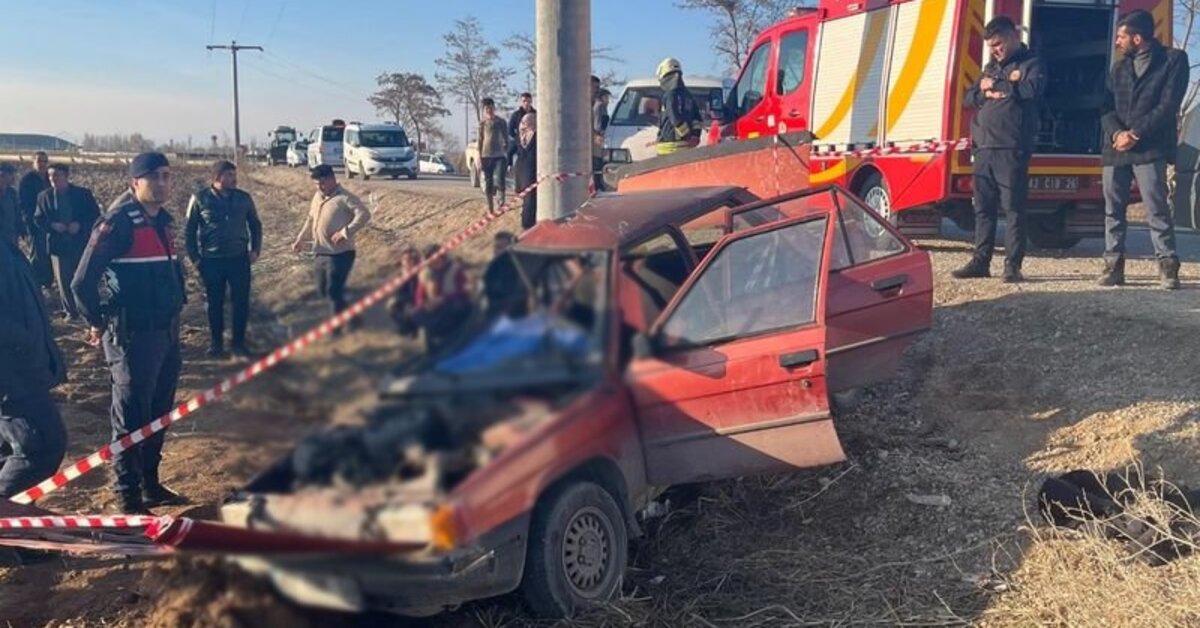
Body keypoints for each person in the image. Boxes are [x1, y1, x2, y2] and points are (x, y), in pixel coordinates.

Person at [71, 152, 188, 514]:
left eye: (167, 176)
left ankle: (150, 484)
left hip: (166, 332)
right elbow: (81, 282)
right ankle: (128, 496)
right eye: (154, 176)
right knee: (131, 417)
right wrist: (97, 321)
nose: (163, 183)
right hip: (133, 336)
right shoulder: (117, 223)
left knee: (157, 413)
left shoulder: (164, 223)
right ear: (134, 183)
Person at [1098, 9, 1190, 289]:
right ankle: (1113, 266)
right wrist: (1117, 132)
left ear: (1137, 38)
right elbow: (1106, 107)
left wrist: (1135, 133)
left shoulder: (1173, 61)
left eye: (1121, 37)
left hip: (1150, 148)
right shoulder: (1119, 68)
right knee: (1113, 209)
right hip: (1116, 148)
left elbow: (1168, 104)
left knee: (1156, 207)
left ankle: (1167, 267)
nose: (1117, 42)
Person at [954, 16, 1045, 283]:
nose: (996, 50)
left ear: (1013, 36)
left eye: (999, 43)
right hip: (984, 148)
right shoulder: (990, 67)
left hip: (1011, 147)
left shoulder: (1032, 64)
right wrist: (985, 91)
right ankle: (981, 262)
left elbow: (1032, 90)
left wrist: (1003, 85)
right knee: (983, 209)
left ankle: (1012, 266)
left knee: (1014, 208)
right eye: (991, 46)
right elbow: (968, 97)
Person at [0, 233, 68, 499]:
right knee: (40, 447)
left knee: (9, 450)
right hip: (11, 373)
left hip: (22, 365)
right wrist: (23, 338)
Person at [185, 160, 263, 358]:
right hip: (211, 260)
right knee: (215, 303)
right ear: (217, 178)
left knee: (241, 303)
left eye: (234, 175)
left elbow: (255, 224)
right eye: (229, 175)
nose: (234, 179)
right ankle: (216, 343)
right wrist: (195, 259)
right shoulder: (199, 199)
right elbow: (189, 231)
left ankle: (238, 343)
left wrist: (255, 249)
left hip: (239, 259)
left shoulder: (244, 198)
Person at [292, 164, 371, 322]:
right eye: (316, 184)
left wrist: (345, 232)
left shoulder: (344, 197)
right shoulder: (317, 197)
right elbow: (310, 219)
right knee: (322, 291)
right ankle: (353, 317)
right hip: (320, 252)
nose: (319, 187)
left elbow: (364, 214)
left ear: (332, 179)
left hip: (340, 254)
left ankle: (337, 329)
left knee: (333, 290)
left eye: (322, 183)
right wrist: (300, 239)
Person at [34, 164, 101, 320]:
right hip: (58, 246)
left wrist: (80, 225)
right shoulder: (44, 196)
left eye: (57, 175)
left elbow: (95, 216)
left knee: (82, 279)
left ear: (66, 176)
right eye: (50, 176)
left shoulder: (82, 194)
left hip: (80, 244)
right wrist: (52, 225)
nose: (53, 179)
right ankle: (71, 312)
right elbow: (38, 218)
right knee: (64, 281)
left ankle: (87, 311)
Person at [411, 244, 471, 352]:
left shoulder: (455, 269)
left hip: (453, 303)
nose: (435, 260)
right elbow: (419, 295)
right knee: (417, 314)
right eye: (431, 257)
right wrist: (425, 305)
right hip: (434, 307)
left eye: (437, 256)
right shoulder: (425, 274)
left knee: (456, 308)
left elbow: (463, 290)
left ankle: (455, 335)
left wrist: (444, 299)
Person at [655, 58, 704, 156]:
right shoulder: (688, 95)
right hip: (686, 147)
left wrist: (687, 135)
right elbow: (697, 119)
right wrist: (695, 135)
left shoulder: (670, 95)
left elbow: (674, 117)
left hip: (668, 148)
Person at [18, 152, 52, 288]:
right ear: (33, 162)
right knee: (37, 256)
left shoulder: (50, 178)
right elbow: (24, 205)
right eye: (39, 161)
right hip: (34, 224)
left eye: (45, 161)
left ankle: (48, 283)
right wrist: (28, 225)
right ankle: (35, 285)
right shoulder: (27, 180)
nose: (42, 164)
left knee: (48, 255)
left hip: (49, 224)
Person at [483, 231, 528, 319]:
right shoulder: (492, 269)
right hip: (497, 316)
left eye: (500, 247)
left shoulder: (521, 266)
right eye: (496, 247)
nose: (496, 251)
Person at [478, 97, 510, 211]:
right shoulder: (482, 124)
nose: (489, 110)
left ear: (494, 108)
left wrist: (507, 151)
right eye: (486, 108)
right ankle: (490, 205)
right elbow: (480, 140)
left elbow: (506, 137)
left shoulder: (501, 122)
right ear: (484, 110)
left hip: (499, 155)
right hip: (486, 156)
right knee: (488, 181)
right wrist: (479, 158)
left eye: (490, 108)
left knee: (500, 177)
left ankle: (501, 201)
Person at [386, 244, 423, 337]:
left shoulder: (420, 272)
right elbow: (397, 290)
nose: (407, 262)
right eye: (405, 260)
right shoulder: (400, 274)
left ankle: (416, 329)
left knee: (410, 309)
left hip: (419, 298)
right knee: (392, 305)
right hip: (404, 298)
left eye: (410, 259)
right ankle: (406, 328)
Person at [512, 111, 539, 229]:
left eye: (526, 122)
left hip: (529, 170)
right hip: (523, 170)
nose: (523, 124)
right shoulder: (522, 135)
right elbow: (511, 149)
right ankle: (526, 223)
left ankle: (527, 223)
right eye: (523, 122)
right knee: (527, 198)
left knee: (530, 199)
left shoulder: (536, 135)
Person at [507, 92, 536, 165]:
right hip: (520, 141)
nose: (526, 103)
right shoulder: (516, 115)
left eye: (528, 101)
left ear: (531, 101)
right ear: (521, 102)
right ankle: (509, 167)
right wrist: (517, 137)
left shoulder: (535, 114)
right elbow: (510, 129)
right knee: (509, 152)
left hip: (533, 142)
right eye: (524, 101)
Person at [0, 164, 24, 245]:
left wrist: (21, 231)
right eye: (10, 175)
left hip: (11, 236)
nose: (13, 178)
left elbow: (17, 214)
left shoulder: (12, 193)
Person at [591, 75, 606, 191]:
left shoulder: (597, 104)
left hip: (595, 146)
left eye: (598, 87)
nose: (597, 90)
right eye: (595, 87)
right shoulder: (580, 105)